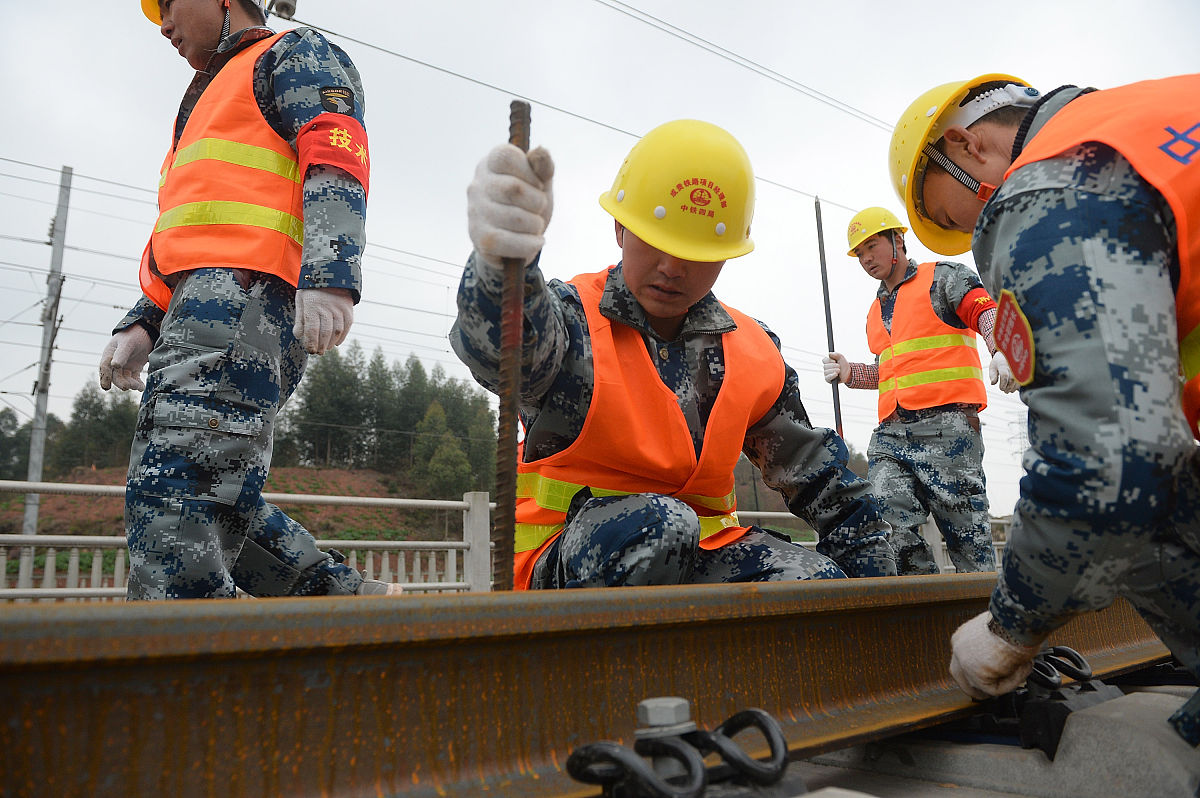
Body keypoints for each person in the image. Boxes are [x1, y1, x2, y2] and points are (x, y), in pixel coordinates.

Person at [451, 118, 898, 590]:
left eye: (696, 252)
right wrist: (501, 267)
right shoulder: (570, 320)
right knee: (660, 526)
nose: (672, 268)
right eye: (656, 242)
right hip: (568, 567)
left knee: (814, 581)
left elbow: (819, 478)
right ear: (620, 229)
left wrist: (872, 597)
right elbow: (501, 352)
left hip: (704, 557)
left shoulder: (752, 351)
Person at [889, 71, 1200, 745]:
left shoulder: (1051, 186)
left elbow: (1109, 461)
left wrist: (1011, 626)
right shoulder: (1148, 114)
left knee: (1147, 505)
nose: (975, 230)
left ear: (967, 146)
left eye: (954, 217)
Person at [96, 0, 400, 599]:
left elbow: (336, 149)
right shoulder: (204, 99)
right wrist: (145, 321)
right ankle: (345, 605)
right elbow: (194, 227)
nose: (163, 23)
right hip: (201, 309)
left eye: (170, 2)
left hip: (244, 305)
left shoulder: (291, 55)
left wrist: (332, 274)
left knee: (176, 495)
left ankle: (185, 674)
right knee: (209, 486)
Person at [821, 207, 1017, 575]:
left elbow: (984, 310)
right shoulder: (875, 311)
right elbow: (888, 372)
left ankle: (988, 618)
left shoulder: (942, 278)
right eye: (859, 253)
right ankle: (926, 604)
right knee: (883, 517)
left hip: (949, 430)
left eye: (871, 246)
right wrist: (851, 373)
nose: (865, 258)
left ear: (898, 240)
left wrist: (1000, 348)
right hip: (892, 435)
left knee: (968, 544)